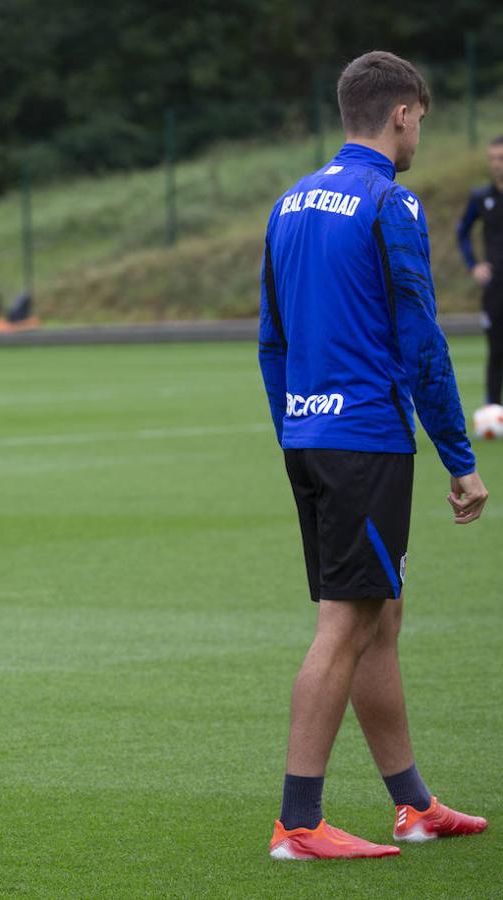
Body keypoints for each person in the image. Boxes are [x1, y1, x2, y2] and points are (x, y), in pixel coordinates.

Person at [258, 52, 489, 860]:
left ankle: (415, 805)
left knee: (379, 616)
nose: (419, 131)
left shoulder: (288, 204)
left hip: (311, 433)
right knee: (348, 621)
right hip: (364, 438)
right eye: (420, 119)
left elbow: (272, 341)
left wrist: (296, 425)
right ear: (401, 114)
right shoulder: (391, 202)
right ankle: (298, 823)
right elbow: (421, 340)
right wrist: (459, 455)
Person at [456, 135, 503, 405]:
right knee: (496, 350)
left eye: (501, 159)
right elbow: (462, 232)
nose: (496, 165)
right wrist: (474, 266)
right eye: (493, 159)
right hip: (495, 288)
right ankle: (493, 409)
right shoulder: (481, 197)